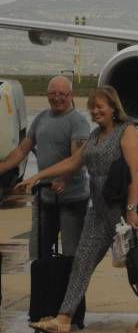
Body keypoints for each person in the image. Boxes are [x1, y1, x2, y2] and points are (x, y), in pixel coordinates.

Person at [17, 87, 138, 333]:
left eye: (100, 107)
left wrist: (131, 210)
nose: (95, 112)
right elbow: (73, 163)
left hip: (123, 209)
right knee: (81, 263)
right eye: (92, 107)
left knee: (137, 265)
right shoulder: (95, 135)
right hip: (99, 211)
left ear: (113, 107)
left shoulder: (126, 131)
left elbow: (135, 172)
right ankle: (63, 318)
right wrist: (38, 175)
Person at [0, 75, 89, 260]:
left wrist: (63, 179)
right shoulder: (41, 118)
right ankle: (44, 287)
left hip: (71, 198)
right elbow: (22, 150)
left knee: (71, 254)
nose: (57, 98)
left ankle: (69, 288)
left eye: (62, 94)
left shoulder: (78, 122)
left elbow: (77, 159)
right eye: (53, 94)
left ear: (71, 94)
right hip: (44, 196)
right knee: (38, 253)